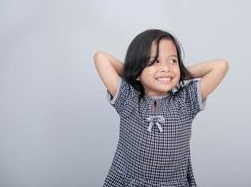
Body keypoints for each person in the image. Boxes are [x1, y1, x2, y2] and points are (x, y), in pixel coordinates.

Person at [93, 29, 229, 187]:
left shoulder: (185, 102)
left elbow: (221, 66)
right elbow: (100, 58)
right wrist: (135, 72)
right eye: (155, 62)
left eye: (173, 61)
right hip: (130, 181)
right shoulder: (129, 99)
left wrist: (178, 74)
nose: (166, 68)